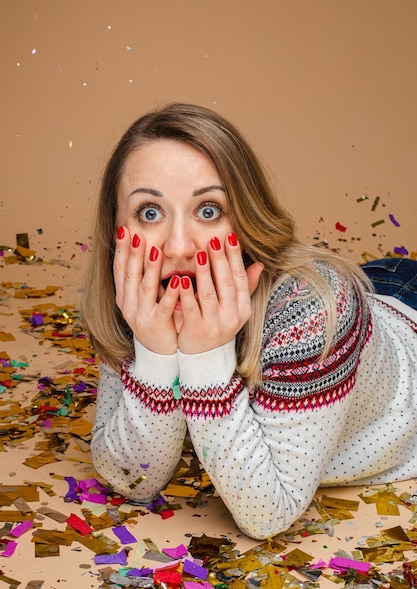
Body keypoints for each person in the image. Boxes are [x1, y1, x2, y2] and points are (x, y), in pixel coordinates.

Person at [81, 102, 417, 540]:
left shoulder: (312, 309)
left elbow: (266, 514)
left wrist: (204, 354)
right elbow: (132, 479)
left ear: (245, 215)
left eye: (208, 210)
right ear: (116, 227)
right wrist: (154, 351)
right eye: (150, 212)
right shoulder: (137, 288)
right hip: (370, 294)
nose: (179, 246)